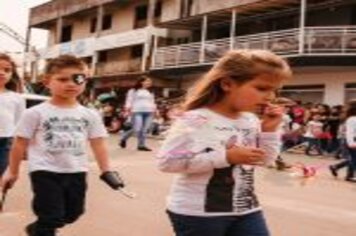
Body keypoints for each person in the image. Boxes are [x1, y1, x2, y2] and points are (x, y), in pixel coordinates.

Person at [157, 49, 292, 236]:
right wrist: (226, 157)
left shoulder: (250, 120)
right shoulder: (195, 118)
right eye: (262, 88)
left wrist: (269, 130)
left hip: (246, 209)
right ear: (227, 84)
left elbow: (265, 160)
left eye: (274, 90)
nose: (270, 97)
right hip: (198, 213)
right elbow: (167, 162)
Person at [0, 55, 117, 236]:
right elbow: (19, 143)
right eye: (62, 79)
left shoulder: (90, 114)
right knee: (51, 215)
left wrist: (106, 170)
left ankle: (37, 229)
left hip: (77, 170)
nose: (71, 84)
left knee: (74, 213)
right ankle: (44, 229)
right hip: (44, 171)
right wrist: (12, 171)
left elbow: (98, 143)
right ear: (47, 82)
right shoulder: (35, 113)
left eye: (78, 79)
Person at [0, 53, 26, 176]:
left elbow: (19, 123)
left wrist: (20, 146)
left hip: (6, 141)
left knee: (2, 170)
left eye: (7, 70)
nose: (2, 72)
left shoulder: (17, 98)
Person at [119, 77, 157, 151]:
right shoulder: (133, 90)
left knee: (144, 130)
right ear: (141, 82)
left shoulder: (150, 91)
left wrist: (155, 110)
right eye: (147, 81)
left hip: (149, 111)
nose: (149, 83)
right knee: (137, 128)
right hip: (137, 111)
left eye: (150, 82)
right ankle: (123, 139)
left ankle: (141, 145)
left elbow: (152, 102)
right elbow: (129, 100)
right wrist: (127, 108)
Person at [343, 100, 356, 182]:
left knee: (353, 159)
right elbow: (349, 132)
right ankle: (350, 176)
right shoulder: (352, 119)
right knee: (354, 159)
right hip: (353, 141)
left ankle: (350, 175)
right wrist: (351, 143)